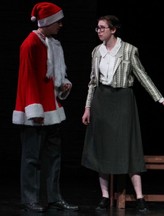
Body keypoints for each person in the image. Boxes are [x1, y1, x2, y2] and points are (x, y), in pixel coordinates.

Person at [81, 15, 164, 212]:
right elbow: (93, 81)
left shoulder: (128, 50)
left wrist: (160, 99)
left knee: (128, 147)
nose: (98, 31)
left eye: (102, 28)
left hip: (122, 102)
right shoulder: (96, 51)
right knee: (102, 149)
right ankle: (104, 196)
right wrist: (87, 107)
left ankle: (140, 197)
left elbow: (142, 75)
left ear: (113, 30)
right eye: (97, 28)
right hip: (101, 102)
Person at [12, 2, 79, 213]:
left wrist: (62, 85)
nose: (60, 25)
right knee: (32, 158)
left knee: (54, 157)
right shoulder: (30, 44)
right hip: (36, 112)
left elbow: (52, 76)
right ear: (48, 22)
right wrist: (35, 111)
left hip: (53, 110)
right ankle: (29, 198)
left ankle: (54, 197)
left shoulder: (52, 44)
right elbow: (27, 80)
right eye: (58, 21)